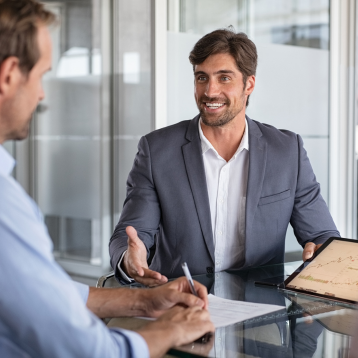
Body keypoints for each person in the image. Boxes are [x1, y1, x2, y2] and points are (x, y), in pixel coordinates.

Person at [0, 1, 214, 357]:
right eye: (41, 75)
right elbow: (90, 351)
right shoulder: (5, 210)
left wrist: (143, 304)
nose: (42, 94)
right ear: (8, 75)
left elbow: (44, 293)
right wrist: (168, 330)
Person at [109, 28, 340, 286]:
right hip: (180, 306)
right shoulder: (156, 150)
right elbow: (132, 233)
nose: (210, 91)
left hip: (261, 311)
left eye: (224, 78)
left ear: (249, 84)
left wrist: (321, 252)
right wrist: (131, 259)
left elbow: (322, 235)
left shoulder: (287, 151)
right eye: (201, 78)